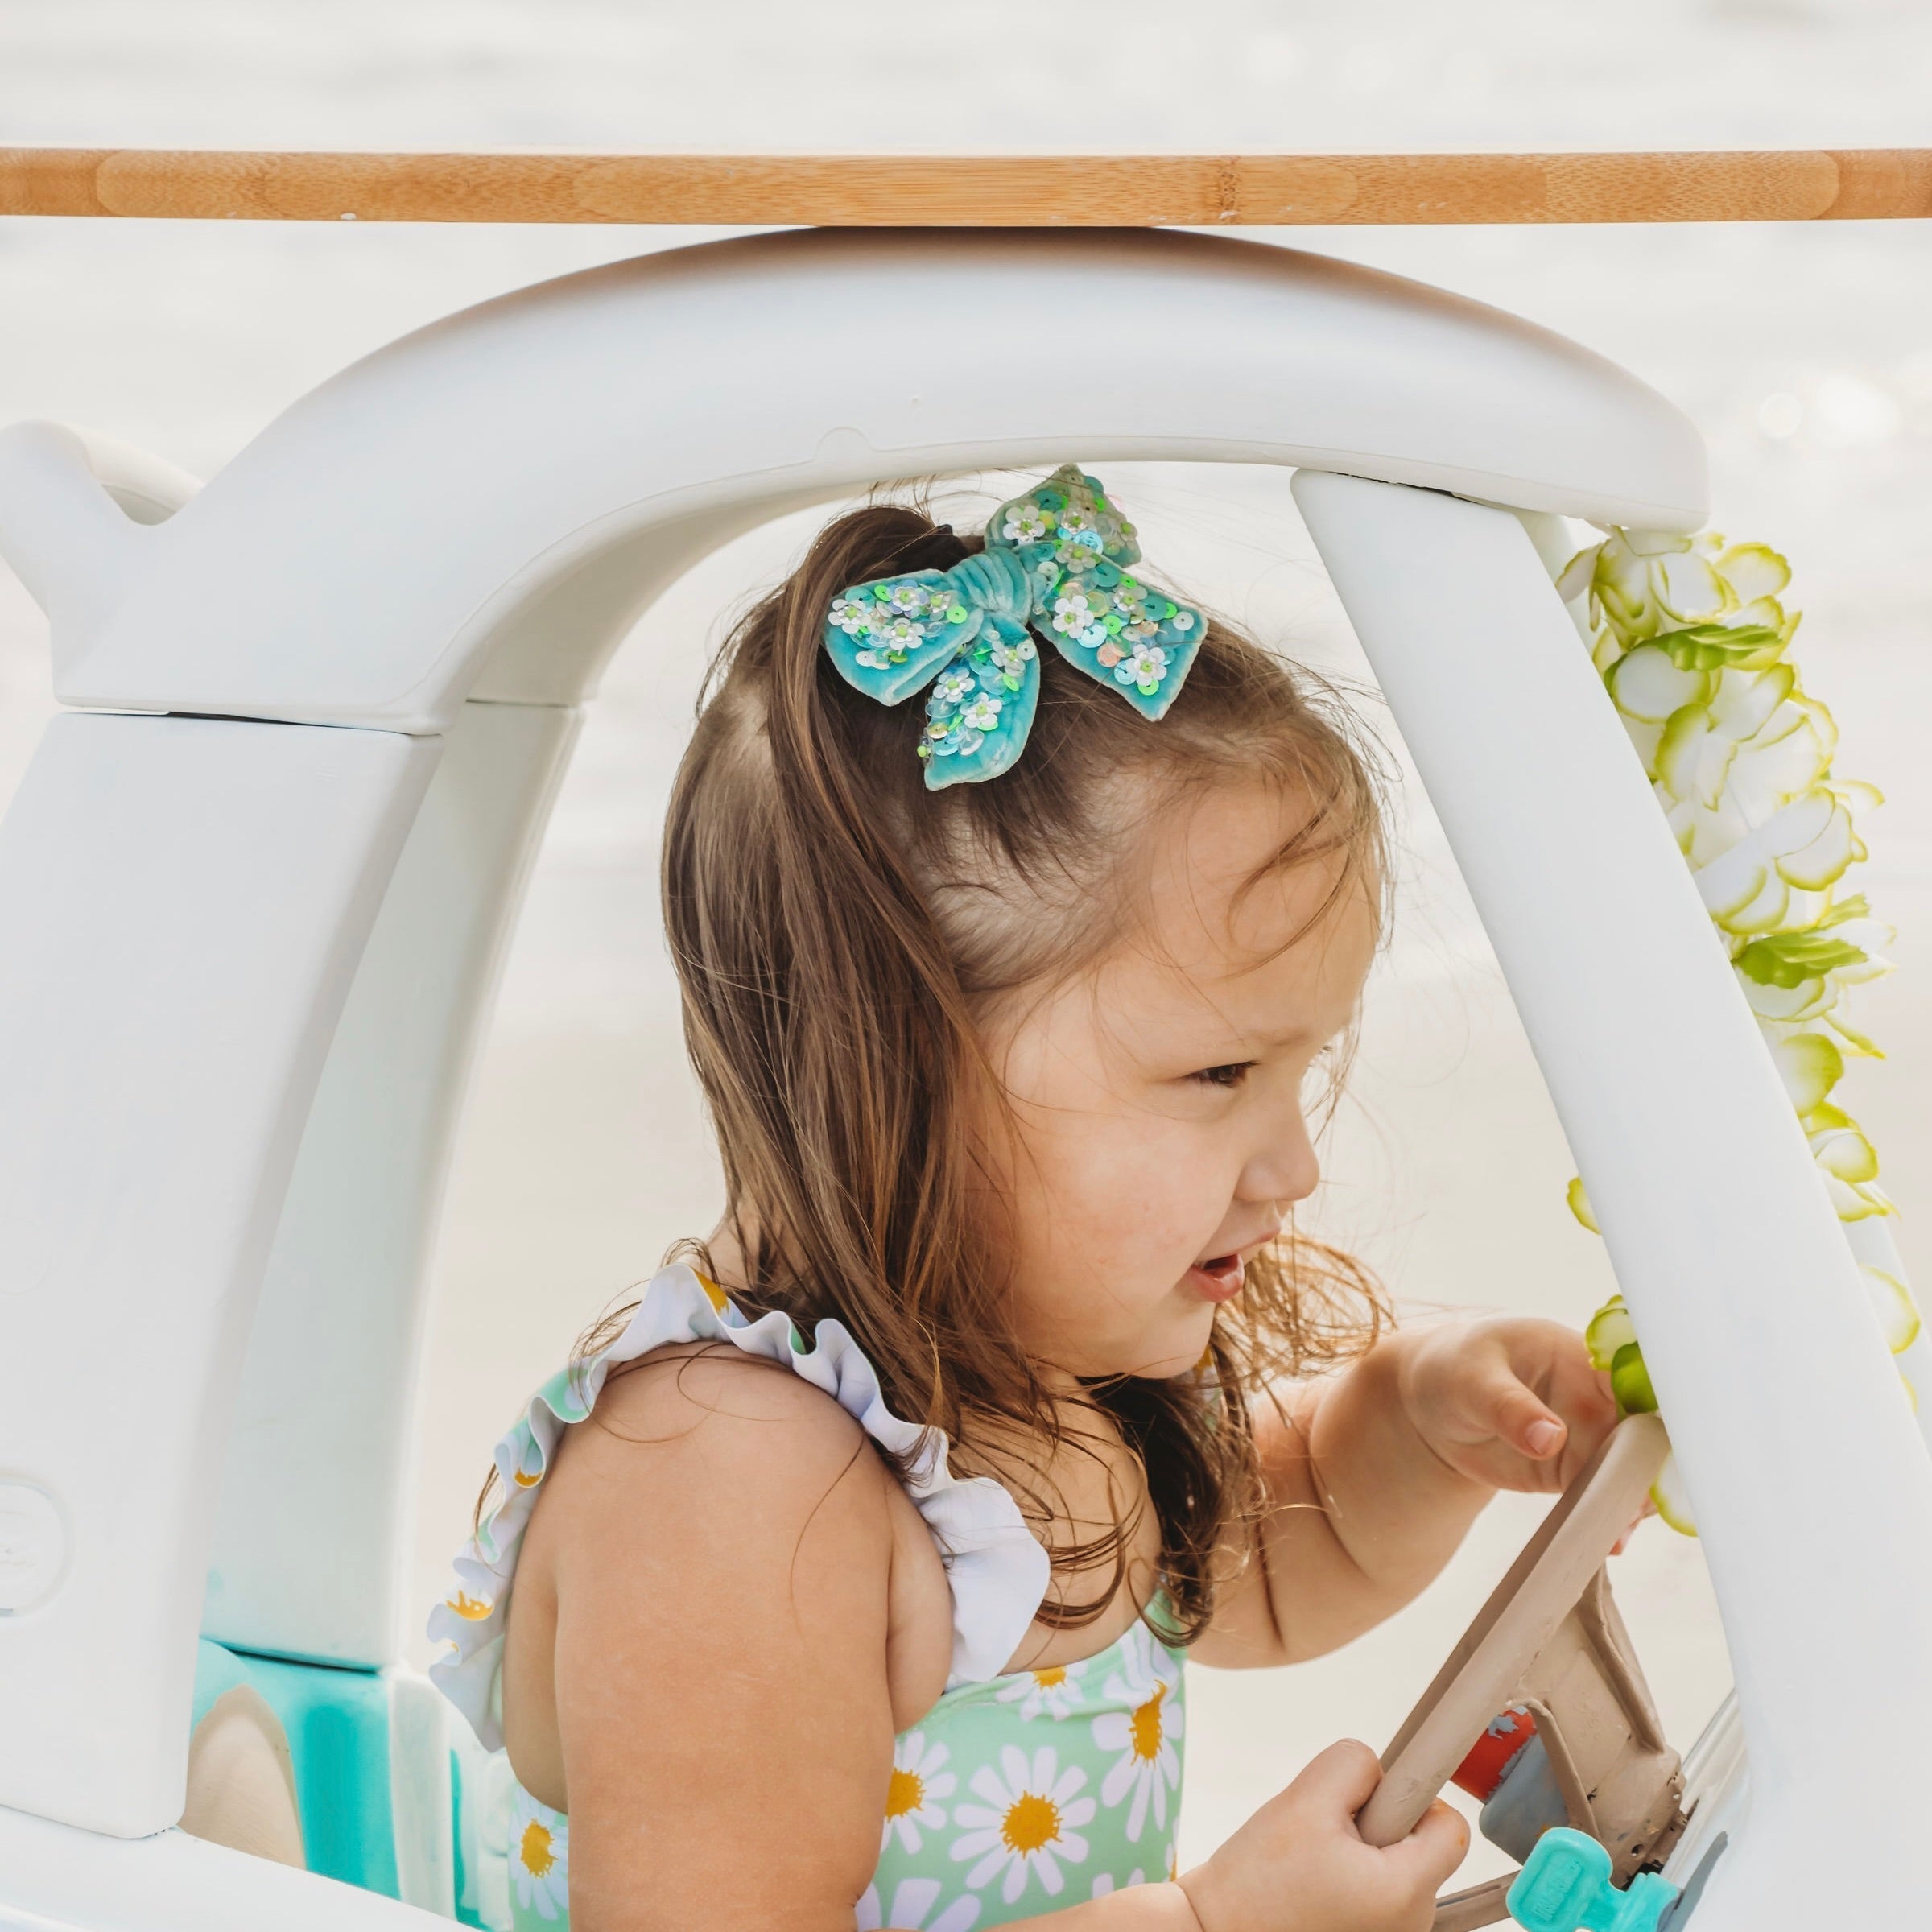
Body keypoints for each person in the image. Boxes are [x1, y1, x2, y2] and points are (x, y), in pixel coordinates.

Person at [429, 468, 1619, 1932]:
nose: (1294, 1166)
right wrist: (1211, 1926)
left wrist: (1418, 1429)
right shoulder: (727, 1487)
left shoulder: (1031, 1378)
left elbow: (1267, 1574)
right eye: (1219, 1073)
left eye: (1298, 1072)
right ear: (896, 1061)